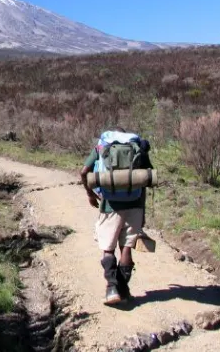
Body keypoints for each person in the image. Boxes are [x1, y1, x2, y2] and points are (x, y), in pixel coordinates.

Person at [80, 128, 153, 306]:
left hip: (110, 205)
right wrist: (142, 212)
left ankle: (112, 288)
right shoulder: (138, 147)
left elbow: (84, 172)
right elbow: (146, 180)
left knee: (108, 247)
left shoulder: (102, 147)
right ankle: (123, 290)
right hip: (135, 203)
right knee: (126, 248)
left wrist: (90, 193)